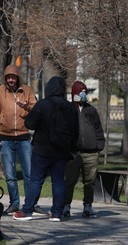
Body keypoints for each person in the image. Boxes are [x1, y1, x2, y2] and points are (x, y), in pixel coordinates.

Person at [13, 76, 79, 222]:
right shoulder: (70, 108)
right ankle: (56, 213)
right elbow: (76, 132)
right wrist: (72, 150)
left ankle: (27, 210)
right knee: (58, 181)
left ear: (49, 88)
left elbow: (30, 124)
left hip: (42, 149)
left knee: (36, 181)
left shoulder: (43, 104)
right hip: (62, 151)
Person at [0, 65, 44, 215]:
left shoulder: (27, 90)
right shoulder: (1, 91)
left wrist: (27, 107)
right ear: (5, 79)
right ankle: (14, 203)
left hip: (24, 137)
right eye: (8, 77)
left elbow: (37, 108)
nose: (11, 80)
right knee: (10, 175)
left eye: (13, 77)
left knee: (30, 174)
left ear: (17, 78)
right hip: (5, 139)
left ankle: (32, 203)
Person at [63, 80, 105, 218]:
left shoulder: (91, 110)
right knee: (69, 181)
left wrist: (99, 145)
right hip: (73, 154)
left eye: (85, 92)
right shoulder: (68, 109)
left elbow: (98, 130)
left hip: (91, 153)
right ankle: (66, 206)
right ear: (74, 93)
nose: (83, 95)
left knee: (90, 182)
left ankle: (88, 206)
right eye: (80, 92)